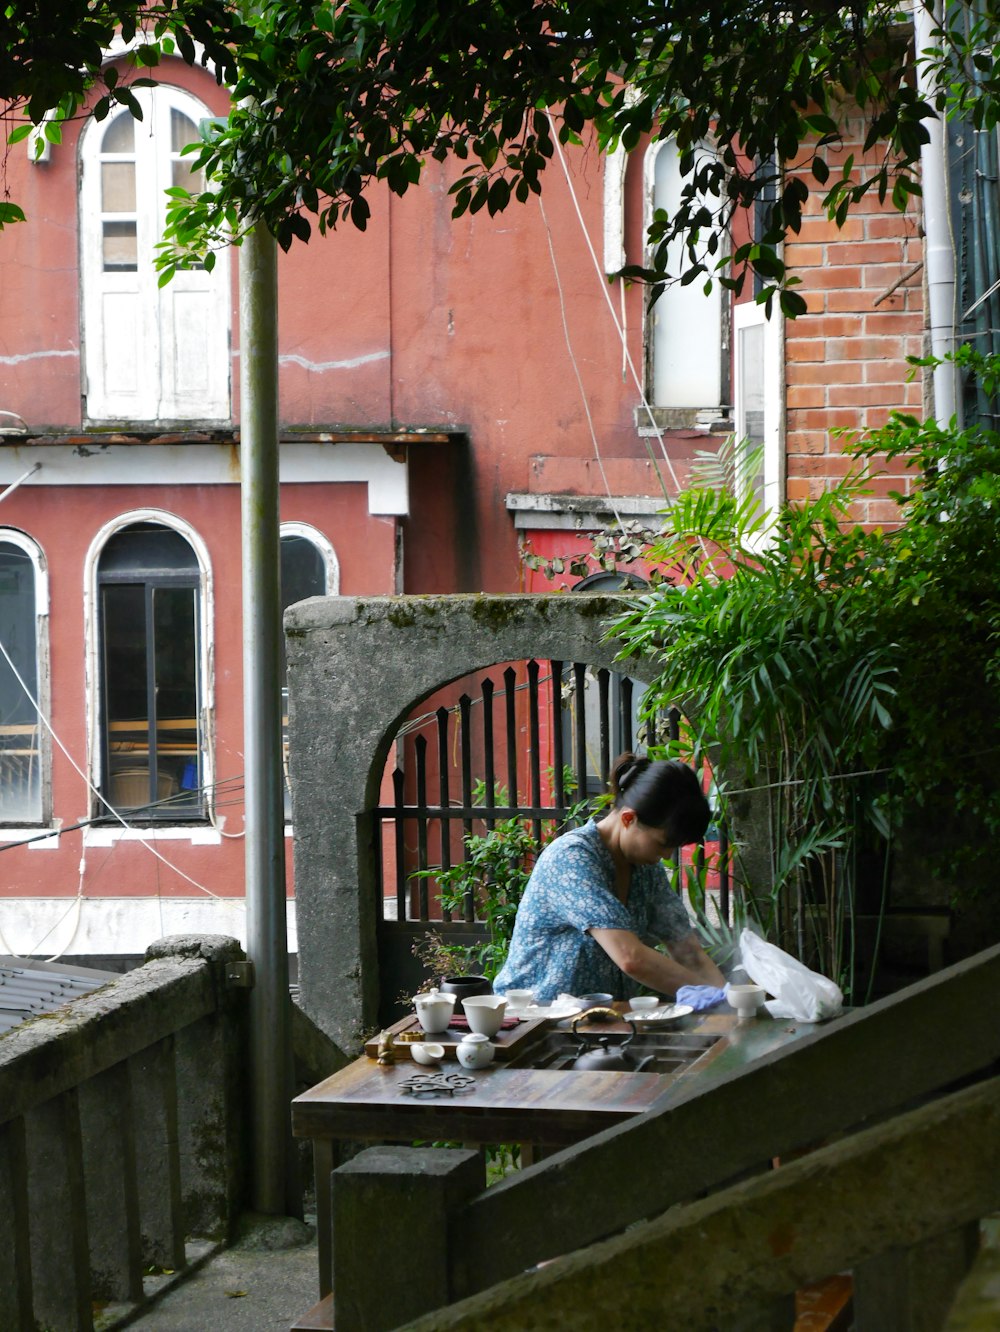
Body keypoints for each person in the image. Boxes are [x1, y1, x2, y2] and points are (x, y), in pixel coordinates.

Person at [493, 753, 726, 1003]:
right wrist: (715, 995)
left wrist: (733, 1001)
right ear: (628, 818)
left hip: (599, 1023)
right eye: (662, 844)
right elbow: (631, 958)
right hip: (535, 1021)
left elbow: (688, 951)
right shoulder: (572, 858)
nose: (667, 855)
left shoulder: (646, 869)